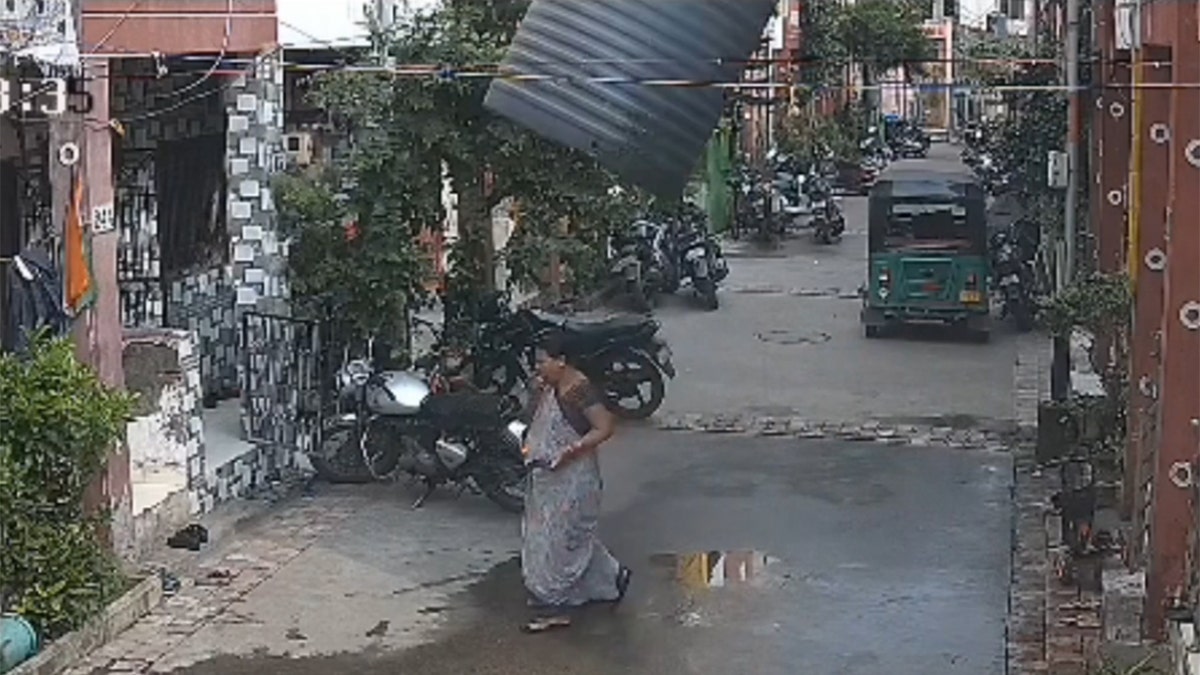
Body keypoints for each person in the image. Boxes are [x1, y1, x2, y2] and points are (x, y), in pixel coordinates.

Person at [520, 331, 631, 633]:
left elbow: (604, 427)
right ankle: (612, 577)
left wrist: (572, 451)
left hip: (573, 479)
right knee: (564, 538)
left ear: (562, 361)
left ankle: (556, 606)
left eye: (543, 362)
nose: (538, 368)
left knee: (558, 542)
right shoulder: (549, 387)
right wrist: (536, 392)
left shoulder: (577, 389)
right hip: (548, 478)